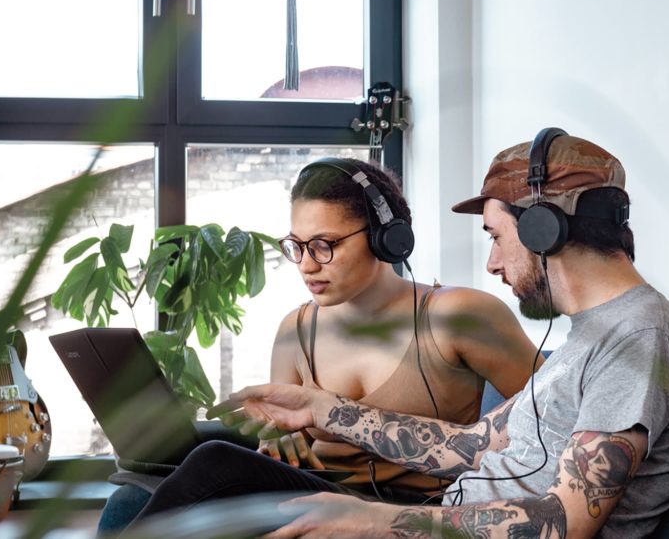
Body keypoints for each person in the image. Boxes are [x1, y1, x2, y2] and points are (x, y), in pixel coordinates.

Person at [209, 130, 669, 538]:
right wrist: (322, 410)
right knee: (220, 471)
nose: (492, 263)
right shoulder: (590, 339)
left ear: (544, 231)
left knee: (219, 478)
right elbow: (473, 444)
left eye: (496, 237)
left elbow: (566, 523)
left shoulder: (641, 338)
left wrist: (378, 523)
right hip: (448, 515)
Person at [112, 157, 542, 528]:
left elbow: (556, 413)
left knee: (215, 462)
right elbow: (281, 437)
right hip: (317, 498)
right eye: (296, 246)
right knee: (158, 475)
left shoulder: (456, 314)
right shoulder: (294, 331)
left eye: (324, 245)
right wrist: (276, 440)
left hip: (417, 511)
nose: (306, 265)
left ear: (385, 237)